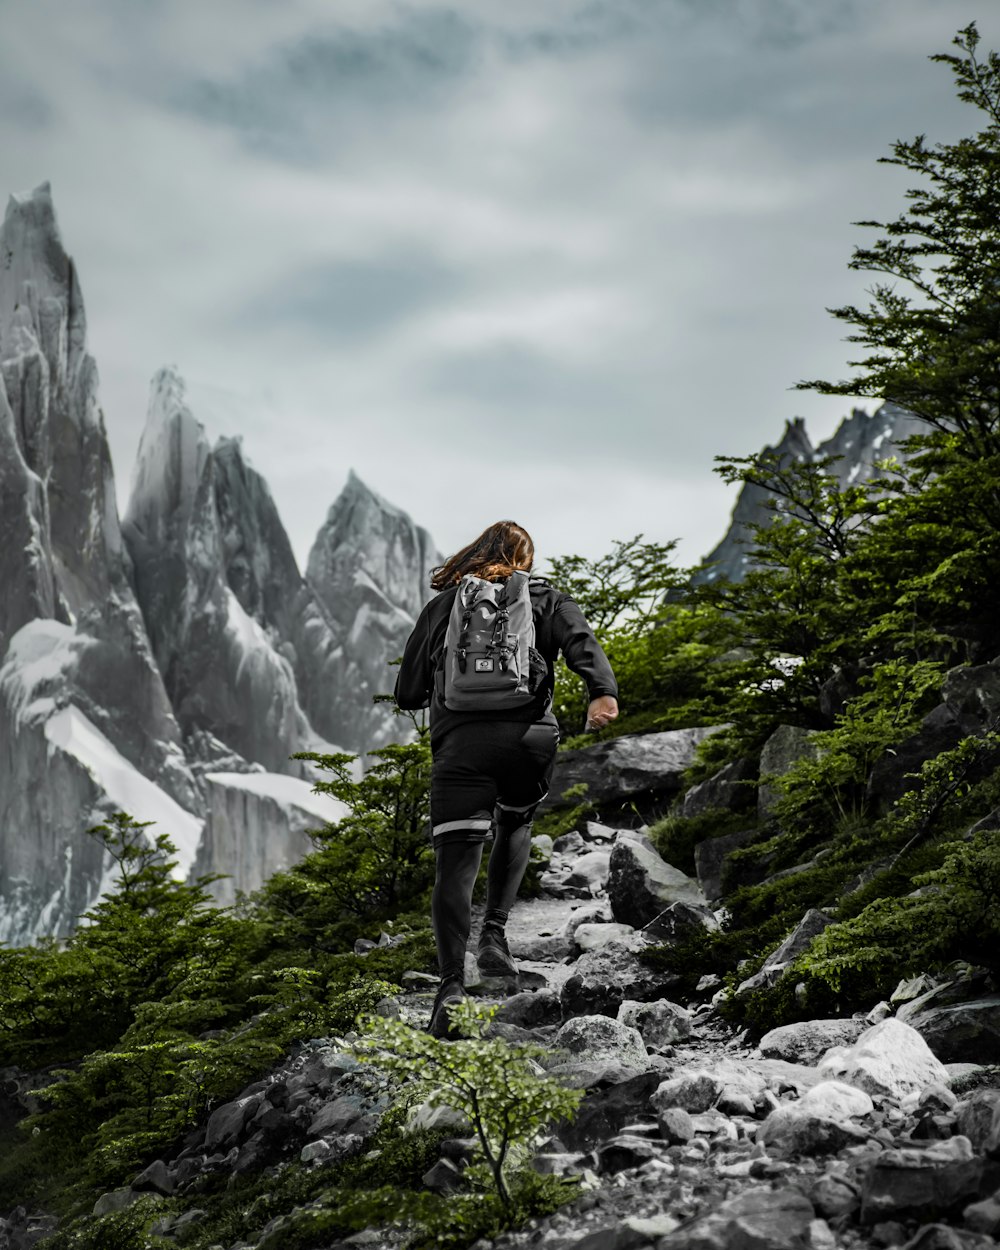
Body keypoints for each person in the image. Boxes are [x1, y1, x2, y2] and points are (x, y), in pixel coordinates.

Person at [394, 520, 618, 1038]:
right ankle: (494, 934)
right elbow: (582, 642)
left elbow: (407, 693)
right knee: (515, 822)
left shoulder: (445, 607)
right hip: (529, 741)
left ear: (476, 554)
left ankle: (450, 986)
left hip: (461, 749)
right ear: (524, 559)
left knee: (456, 858)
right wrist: (600, 692)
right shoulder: (542, 596)